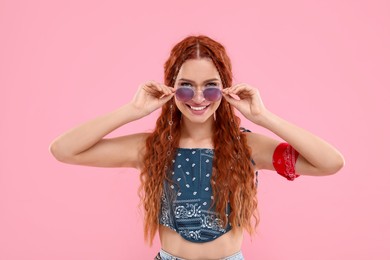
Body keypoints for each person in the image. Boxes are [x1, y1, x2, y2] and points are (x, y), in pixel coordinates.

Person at [49, 35, 345, 260]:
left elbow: (330, 163)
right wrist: (132, 110)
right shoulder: (151, 148)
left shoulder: (248, 147)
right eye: (186, 86)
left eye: (211, 86)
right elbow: (64, 150)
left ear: (226, 88)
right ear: (171, 88)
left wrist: (264, 117)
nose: (199, 97)